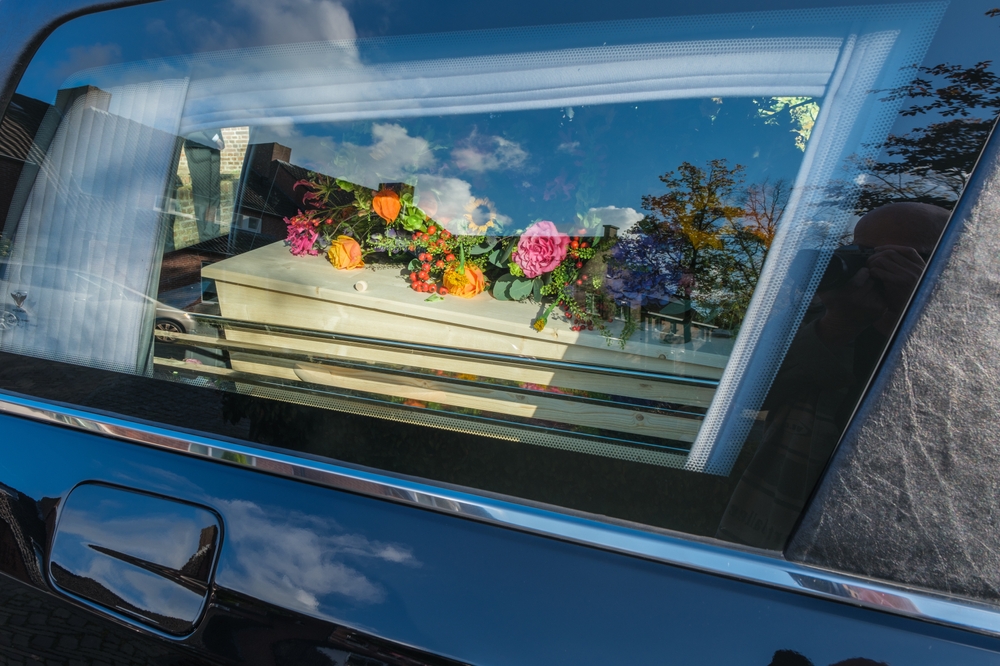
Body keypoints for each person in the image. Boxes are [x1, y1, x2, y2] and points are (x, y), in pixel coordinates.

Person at [717, 202, 950, 549]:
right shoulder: (812, 317)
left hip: (904, 537)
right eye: (860, 252)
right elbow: (743, 397)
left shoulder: (964, 342)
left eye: (890, 257)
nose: (868, 268)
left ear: (941, 264)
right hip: (774, 529)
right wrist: (837, 327)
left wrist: (920, 315)